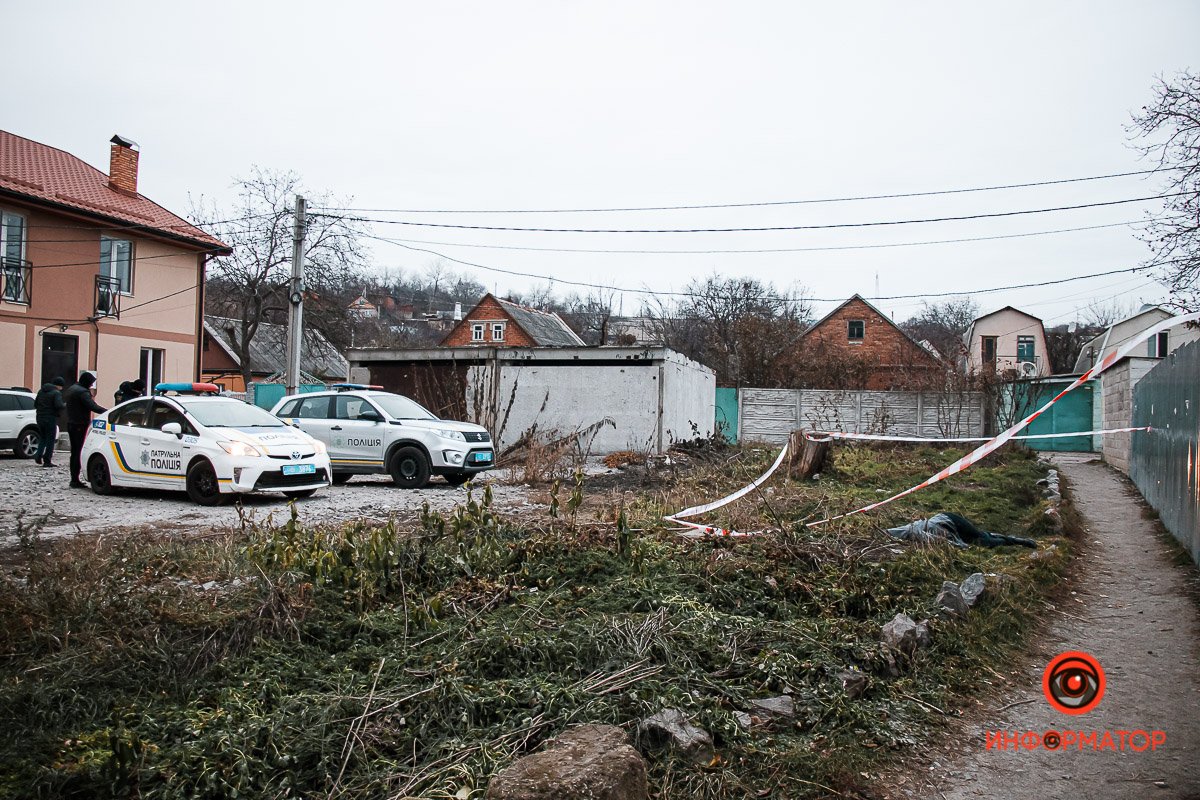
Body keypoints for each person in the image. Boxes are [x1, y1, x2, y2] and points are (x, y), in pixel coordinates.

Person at [63, 373, 107, 488]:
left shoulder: (72, 388)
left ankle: (74, 477)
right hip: (79, 425)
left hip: (71, 423)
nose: (92, 385)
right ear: (87, 381)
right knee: (78, 452)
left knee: (74, 452)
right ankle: (75, 479)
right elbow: (93, 406)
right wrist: (108, 412)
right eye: (91, 382)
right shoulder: (82, 392)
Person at [33, 377, 66, 467]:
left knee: (43, 437)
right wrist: (65, 405)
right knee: (50, 440)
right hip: (50, 418)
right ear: (59, 386)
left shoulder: (41, 391)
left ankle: (38, 456)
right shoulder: (56, 393)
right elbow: (58, 405)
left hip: (39, 417)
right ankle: (47, 460)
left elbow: (35, 404)